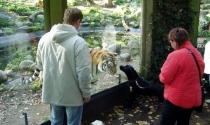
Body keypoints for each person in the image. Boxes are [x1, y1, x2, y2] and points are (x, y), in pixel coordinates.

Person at [36, 8, 92, 125]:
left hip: (53, 91)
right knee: (73, 122)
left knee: (56, 121)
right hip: (73, 95)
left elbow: (40, 65)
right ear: (78, 21)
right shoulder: (79, 42)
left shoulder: (44, 38)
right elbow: (84, 72)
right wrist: (86, 93)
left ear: (65, 19)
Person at [159, 27, 205, 125]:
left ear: (175, 41)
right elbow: (200, 73)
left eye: (171, 41)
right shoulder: (196, 53)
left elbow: (164, 78)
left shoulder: (176, 55)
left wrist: (162, 72)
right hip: (191, 98)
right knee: (184, 122)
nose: (171, 45)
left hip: (175, 99)